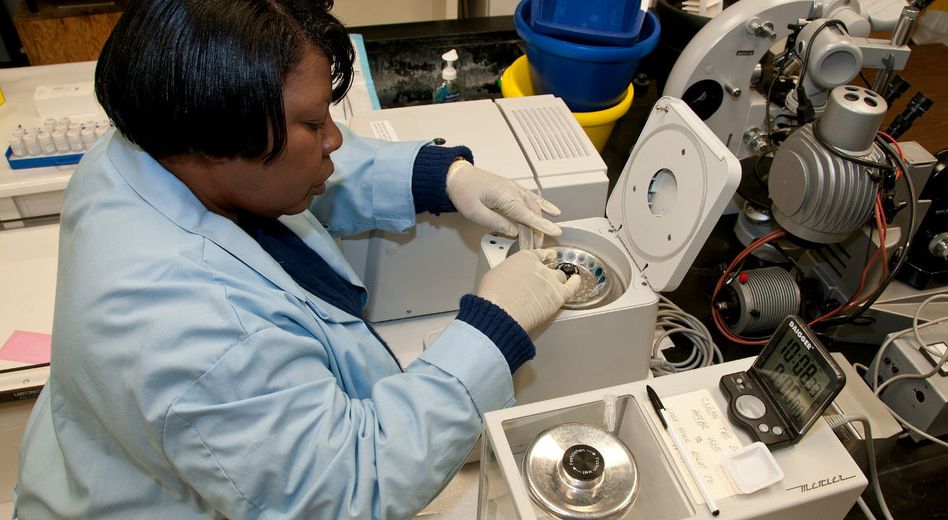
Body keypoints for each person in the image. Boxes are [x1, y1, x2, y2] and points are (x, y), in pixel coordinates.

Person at [12, 0, 582, 518]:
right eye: (314, 125)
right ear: (215, 140)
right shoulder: (188, 334)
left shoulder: (148, 139)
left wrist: (437, 176)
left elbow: (298, 156)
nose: (334, 140)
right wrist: (492, 329)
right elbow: (349, 486)